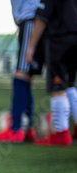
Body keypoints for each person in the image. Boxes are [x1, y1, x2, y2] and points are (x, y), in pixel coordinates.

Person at [0, 0, 43, 143]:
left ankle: (16, 130)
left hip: (30, 21)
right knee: (26, 78)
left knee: (20, 76)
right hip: (31, 21)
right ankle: (27, 129)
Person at [26, 0, 77, 146]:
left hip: (59, 39)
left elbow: (42, 17)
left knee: (58, 85)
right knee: (70, 84)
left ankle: (61, 134)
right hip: (75, 37)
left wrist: (31, 47)